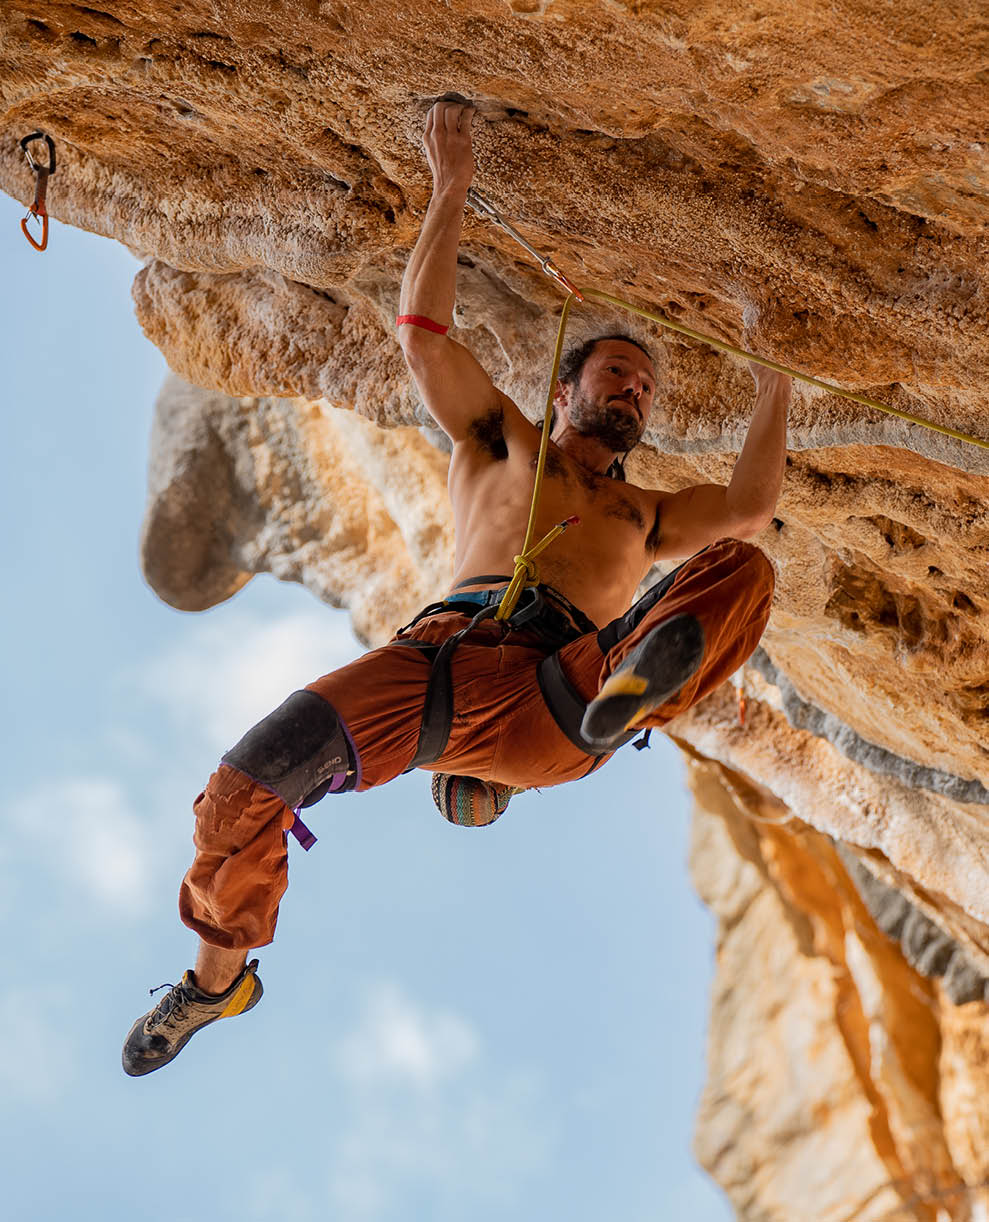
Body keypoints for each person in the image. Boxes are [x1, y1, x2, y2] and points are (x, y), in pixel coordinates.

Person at [122, 99, 790, 1076]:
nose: (633, 391)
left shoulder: (643, 516)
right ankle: (216, 980)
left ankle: (625, 692)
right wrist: (453, 184)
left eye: (644, 386)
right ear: (564, 391)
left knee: (743, 567)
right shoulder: (499, 442)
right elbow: (422, 334)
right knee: (241, 787)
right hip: (432, 666)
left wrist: (773, 375)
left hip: (555, 687)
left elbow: (745, 502)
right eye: (615, 372)